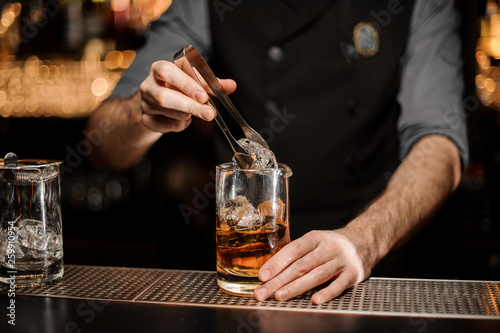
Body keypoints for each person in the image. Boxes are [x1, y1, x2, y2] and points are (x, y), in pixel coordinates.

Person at [87, 0, 468, 304]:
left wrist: (365, 240)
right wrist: (144, 114)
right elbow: (102, 145)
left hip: (361, 274)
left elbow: (441, 145)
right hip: (240, 278)